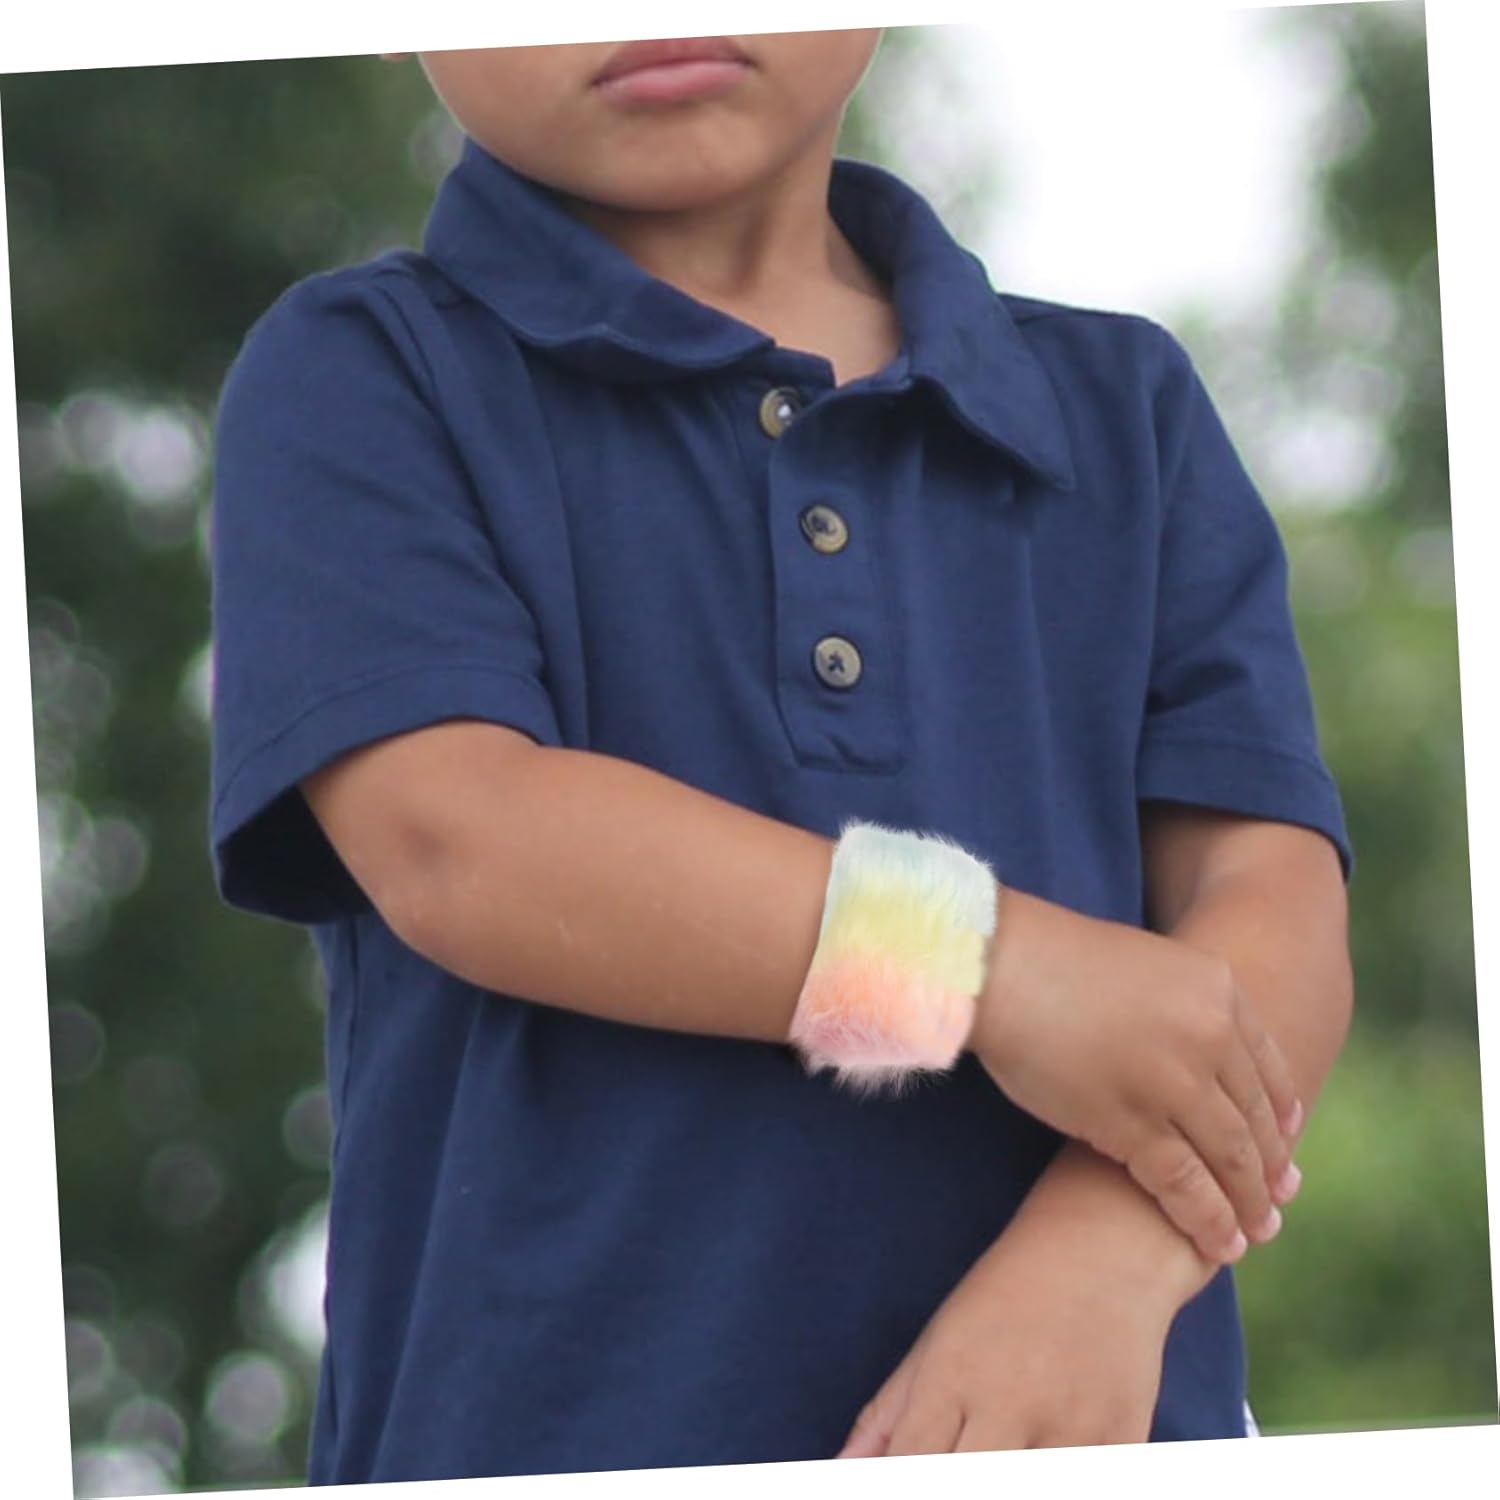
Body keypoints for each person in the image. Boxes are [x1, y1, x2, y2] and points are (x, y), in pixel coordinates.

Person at [207, 29, 1353, 1484]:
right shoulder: (364, 372)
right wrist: (989, 974)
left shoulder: (1128, 412)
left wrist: (1107, 1261)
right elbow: (461, 838)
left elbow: (1270, 908)